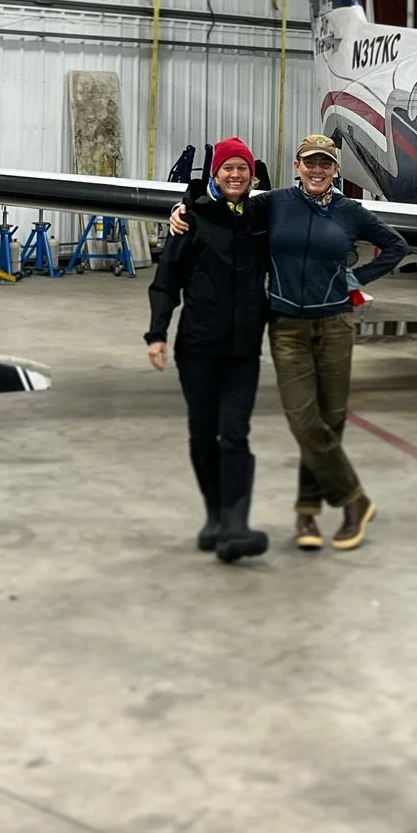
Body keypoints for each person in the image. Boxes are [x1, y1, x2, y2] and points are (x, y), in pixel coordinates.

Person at [264, 133, 407, 553]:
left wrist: (356, 280)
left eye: (325, 163)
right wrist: (185, 207)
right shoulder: (275, 204)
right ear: (296, 165)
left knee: (331, 419)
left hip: (334, 324)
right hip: (287, 324)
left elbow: (397, 246)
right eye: (310, 162)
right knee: (303, 419)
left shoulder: (350, 212)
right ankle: (354, 499)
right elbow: (226, 207)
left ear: (336, 169)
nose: (317, 169)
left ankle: (307, 511)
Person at [144, 135, 270, 563]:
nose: (235, 175)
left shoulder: (260, 216)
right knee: (203, 434)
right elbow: (167, 280)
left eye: (243, 168)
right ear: (214, 173)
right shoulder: (191, 220)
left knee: (234, 434)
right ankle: (214, 516)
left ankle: (235, 525)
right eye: (227, 168)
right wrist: (157, 333)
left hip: (243, 349)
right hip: (197, 346)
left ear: (253, 175)